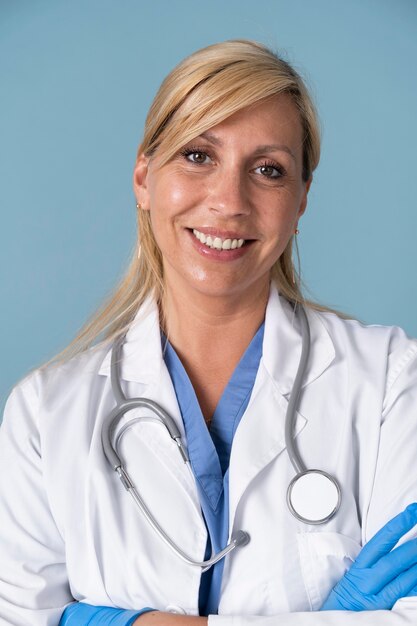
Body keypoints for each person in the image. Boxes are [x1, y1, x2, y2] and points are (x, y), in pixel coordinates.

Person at [1, 39, 417, 626]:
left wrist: (115, 621)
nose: (228, 201)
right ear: (144, 179)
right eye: (198, 156)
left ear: (300, 202)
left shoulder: (392, 383)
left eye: (268, 170)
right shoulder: (45, 416)